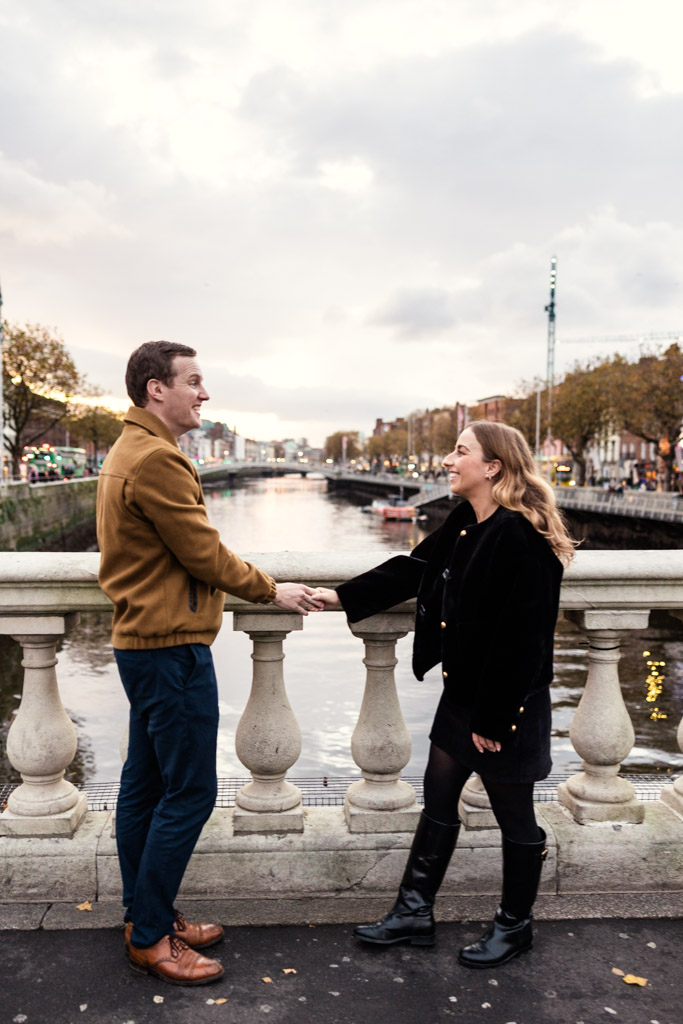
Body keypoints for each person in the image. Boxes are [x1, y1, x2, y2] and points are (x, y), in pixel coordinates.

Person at [97, 341, 322, 986]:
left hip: (144, 644)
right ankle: (149, 937)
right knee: (190, 793)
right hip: (171, 650)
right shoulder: (158, 459)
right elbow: (204, 552)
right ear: (154, 391)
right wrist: (269, 588)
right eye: (193, 381)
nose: (204, 393)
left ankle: (148, 914)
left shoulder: (128, 451)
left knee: (143, 787)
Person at [314, 420, 576, 968]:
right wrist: (338, 597)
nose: (447, 460)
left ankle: (515, 925)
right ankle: (414, 913)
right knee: (437, 799)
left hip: (503, 706)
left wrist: (496, 719)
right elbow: (413, 568)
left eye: (460, 451)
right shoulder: (467, 521)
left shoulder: (520, 535)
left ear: (493, 467)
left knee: (515, 815)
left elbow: (523, 641)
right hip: (462, 697)